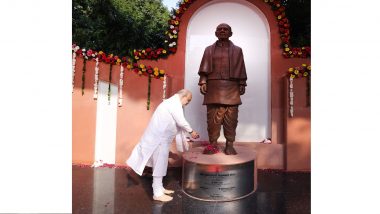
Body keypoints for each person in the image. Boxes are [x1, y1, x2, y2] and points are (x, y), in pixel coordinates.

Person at [126, 89, 200, 202]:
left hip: (162, 140)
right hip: (159, 140)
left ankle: (160, 188)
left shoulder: (171, 103)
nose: (187, 103)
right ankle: (157, 193)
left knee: (160, 164)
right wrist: (191, 131)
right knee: (159, 165)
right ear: (183, 96)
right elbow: (180, 121)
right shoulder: (174, 104)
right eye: (188, 100)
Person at [198, 23, 247, 155]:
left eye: (226, 29)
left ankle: (229, 144)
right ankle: (213, 144)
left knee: (231, 118)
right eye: (220, 29)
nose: (222, 31)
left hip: (232, 87)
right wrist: (203, 81)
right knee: (212, 119)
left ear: (231, 33)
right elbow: (204, 68)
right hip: (213, 87)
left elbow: (241, 67)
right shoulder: (208, 49)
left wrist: (242, 83)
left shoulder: (238, 50)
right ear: (215, 33)